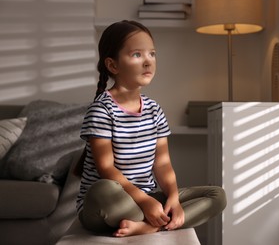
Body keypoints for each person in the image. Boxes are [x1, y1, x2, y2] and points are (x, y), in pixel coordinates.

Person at [76, 20, 226, 237]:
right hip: (106, 206)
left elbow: (163, 164)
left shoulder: (154, 110)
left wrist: (173, 197)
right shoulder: (101, 110)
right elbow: (106, 169)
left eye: (152, 54)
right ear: (113, 65)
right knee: (103, 189)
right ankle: (154, 221)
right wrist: (144, 201)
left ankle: (148, 226)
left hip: (146, 199)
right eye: (137, 54)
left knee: (216, 195)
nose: (148, 62)